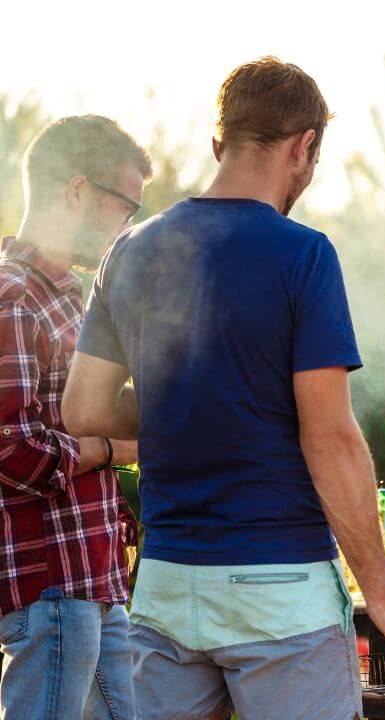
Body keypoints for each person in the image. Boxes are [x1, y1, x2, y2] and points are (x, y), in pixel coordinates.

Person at [62, 57, 385, 720]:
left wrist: (180, 409)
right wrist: (384, 599)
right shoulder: (303, 255)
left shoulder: (130, 251)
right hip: (280, 587)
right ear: (304, 147)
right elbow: (328, 436)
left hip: (166, 585)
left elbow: (85, 408)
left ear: (221, 144)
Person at [0, 115, 148, 720]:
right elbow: (11, 451)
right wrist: (114, 449)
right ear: (79, 191)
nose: (126, 226)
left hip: (95, 579)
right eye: (124, 207)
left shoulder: (67, 296)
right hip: (52, 589)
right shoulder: (13, 297)